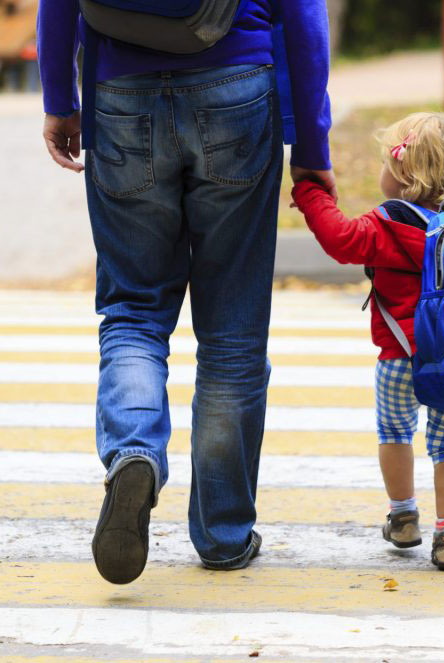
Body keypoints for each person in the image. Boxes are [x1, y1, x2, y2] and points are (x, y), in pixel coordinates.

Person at [37, 0, 335, 584]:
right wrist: (312, 145)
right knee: (233, 331)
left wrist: (59, 99)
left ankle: (134, 453)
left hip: (120, 89)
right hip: (236, 87)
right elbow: (303, 15)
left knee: (134, 309)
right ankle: (223, 535)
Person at [292, 111, 444, 571]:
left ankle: (403, 515)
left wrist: (310, 193)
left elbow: (340, 239)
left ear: (402, 173)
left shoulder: (390, 224)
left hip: (399, 360)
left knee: (395, 434)